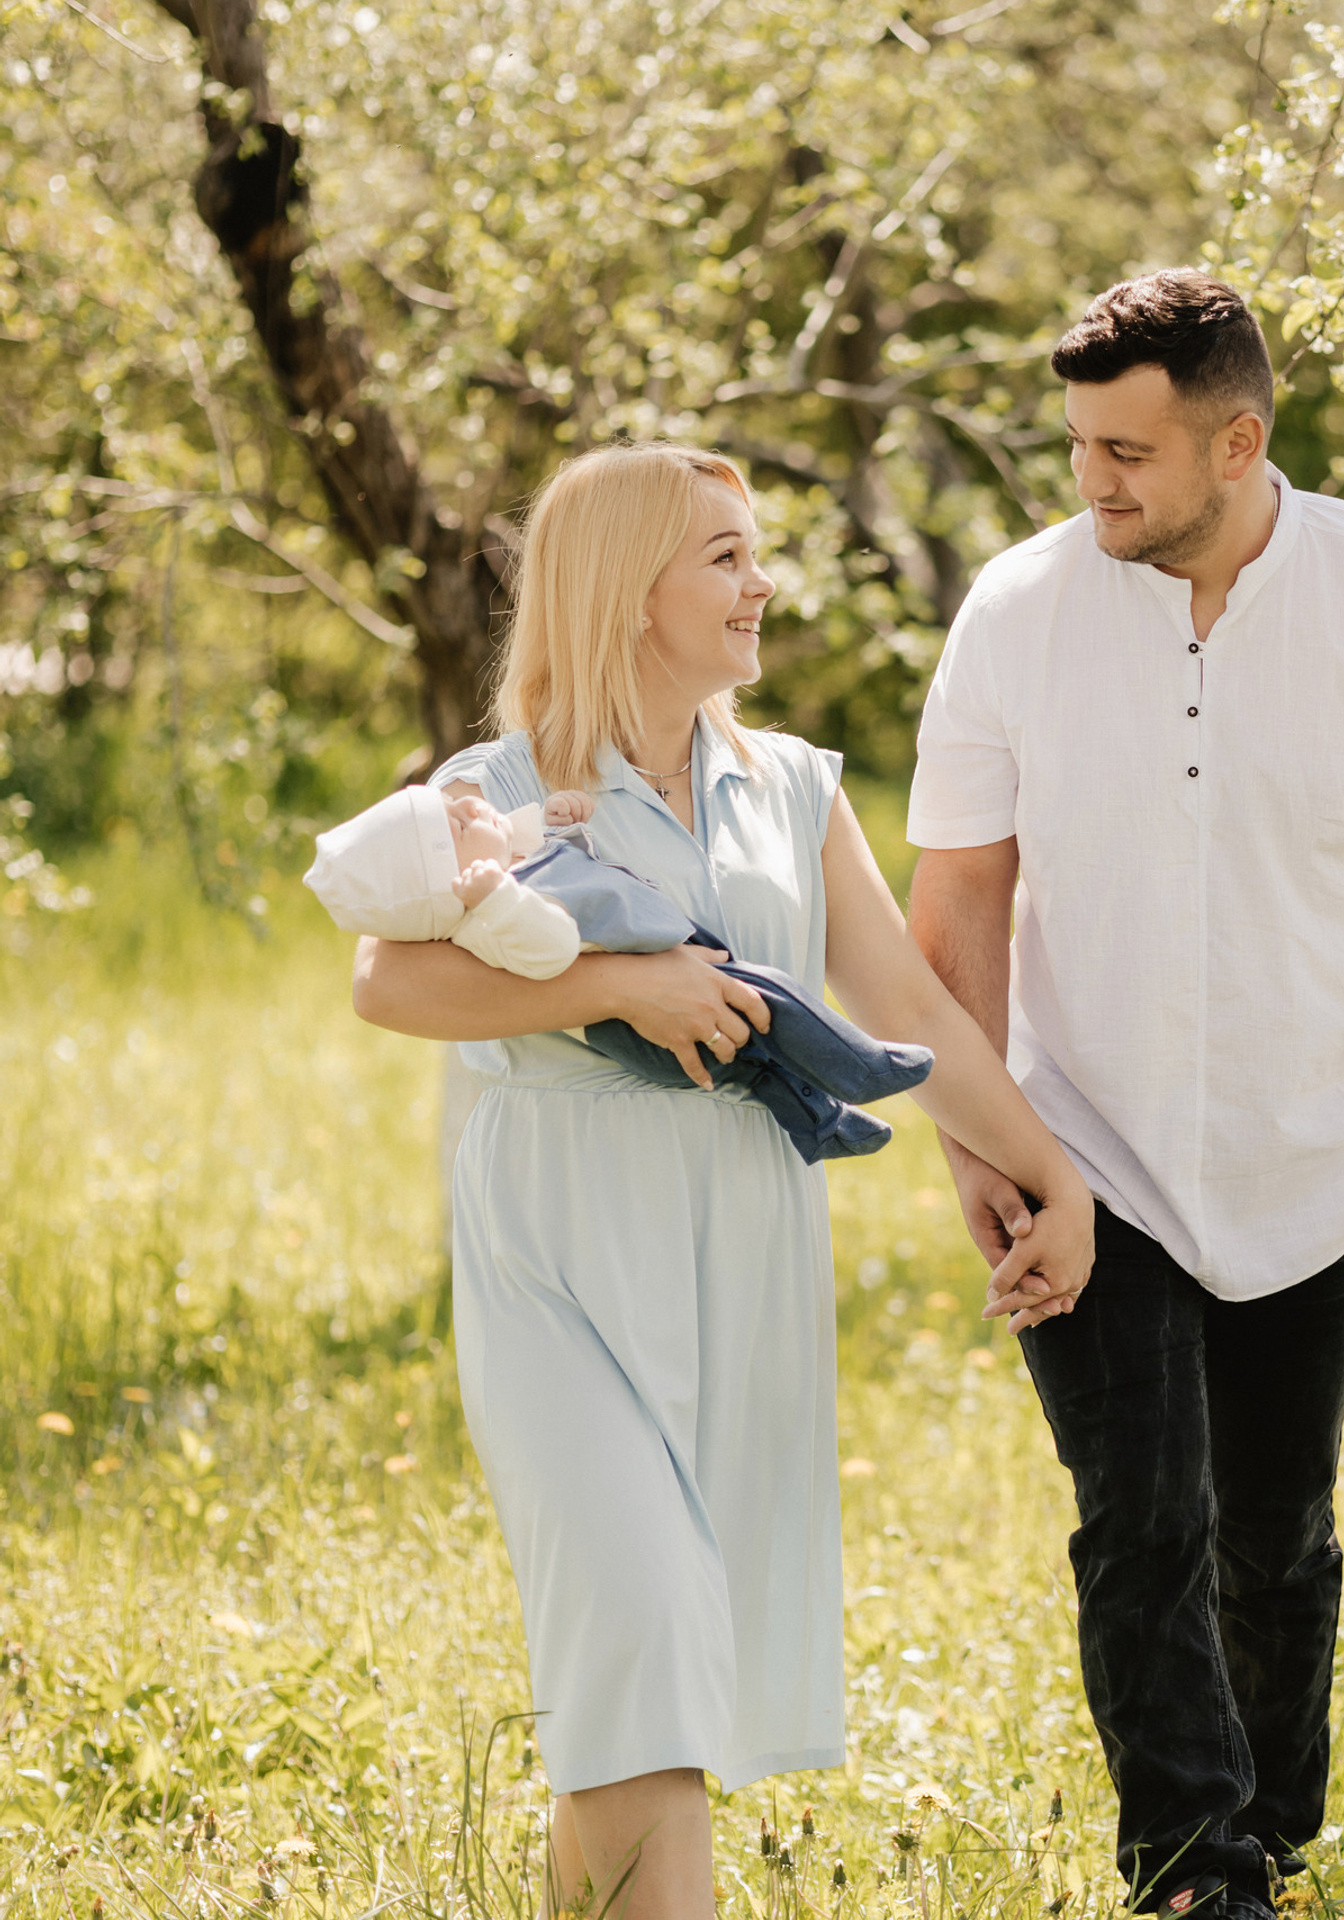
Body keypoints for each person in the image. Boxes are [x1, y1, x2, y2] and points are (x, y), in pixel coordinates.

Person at [350, 440, 1094, 1920]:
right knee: (639, 1619)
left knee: (656, 1665)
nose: (764, 585)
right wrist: (623, 988)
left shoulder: (793, 785)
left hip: (740, 1243)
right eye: (727, 558)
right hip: (561, 1249)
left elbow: (909, 1010)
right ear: (630, 593)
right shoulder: (488, 791)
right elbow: (389, 982)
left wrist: (1046, 1173)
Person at [906, 270, 1344, 1920]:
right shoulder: (1017, 610)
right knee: (1141, 1520)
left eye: (1127, 451)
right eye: (1076, 445)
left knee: (1275, 1533)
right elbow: (958, 897)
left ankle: (1271, 1828)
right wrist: (979, 1142)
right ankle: (1200, 1877)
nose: (1094, 481)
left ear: (1238, 440)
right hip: (1086, 1156)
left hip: (1320, 1149)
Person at [305, 781, 934, 1162]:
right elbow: (551, 947)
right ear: (451, 883)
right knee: (772, 1000)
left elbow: (565, 866)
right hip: (653, 1032)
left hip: (675, 1001)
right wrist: (496, 892)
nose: (473, 812)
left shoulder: (508, 874)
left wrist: (558, 821)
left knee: (761, 1065)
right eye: (457, 827)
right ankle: (860, 1064)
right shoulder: (490, 919)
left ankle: (823, 1123)